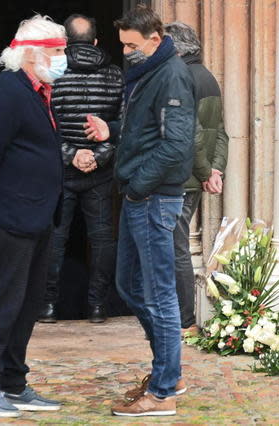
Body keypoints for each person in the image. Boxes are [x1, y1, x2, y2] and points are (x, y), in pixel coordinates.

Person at [85, 5, 194, 416]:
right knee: (129, 286)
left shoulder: (172, 75)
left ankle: (164, 389)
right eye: (123, 45)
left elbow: (175, 146)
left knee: (160, 294)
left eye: (132, 45)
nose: (127, 52)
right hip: (140, 194)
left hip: (152, 197)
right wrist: (112, 132)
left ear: (155, 37)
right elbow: (145, 129)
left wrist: (139, 186)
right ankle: (170, 371)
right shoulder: (148, 70)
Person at [0, 14, 67, 417]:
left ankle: (13, 382)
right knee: (4, 302)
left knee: (27, 302)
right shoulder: (7, 91)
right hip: (15, 211)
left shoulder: (38, 91)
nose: (62, 61)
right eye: (57, 53)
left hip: (38, 213)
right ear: (33, 55)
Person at [40, 13, 123, 324]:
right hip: (100, 173)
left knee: (55, 239)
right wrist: (98, 156)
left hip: (61, 170)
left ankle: (48, 306)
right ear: (97, 41)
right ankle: (98, 306)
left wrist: (71, 154)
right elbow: (123, 124)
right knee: (102, 239)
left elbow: (43, 126)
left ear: (65, 42)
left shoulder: (53, 74)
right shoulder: (116, 75)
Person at [163, 21, 229, 336]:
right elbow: (221, 133)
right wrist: (216, 169)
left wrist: (205, 171)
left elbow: (193, 133)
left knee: (174, 248)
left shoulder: (181, 77)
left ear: (175, 49)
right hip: (195, 176)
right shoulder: (207, 78)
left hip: (180, 175)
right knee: (176, 245)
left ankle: (184, 320)